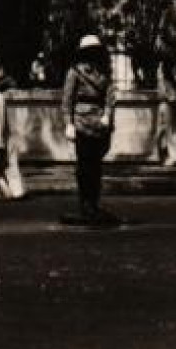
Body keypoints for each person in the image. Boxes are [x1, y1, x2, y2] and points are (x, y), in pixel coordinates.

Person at [62, 35, 118, 225]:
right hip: (81, 122)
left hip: (100, 123)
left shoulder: (105, 71)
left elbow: (110, 96)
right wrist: (68, 124)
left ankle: (93, 203)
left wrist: (108, 115)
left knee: (96, 167)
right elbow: (67, 100)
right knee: (84, 167)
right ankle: (85, 204)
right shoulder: (75, 72)